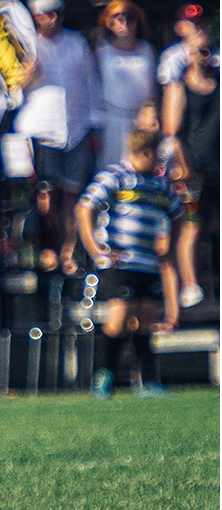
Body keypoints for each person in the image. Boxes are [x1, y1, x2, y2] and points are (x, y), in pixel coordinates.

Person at [77, 129, 182, 399]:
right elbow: (85, 207)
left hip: (147, 262)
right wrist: (94, 247)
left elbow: (178, 213)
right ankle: (105, 374)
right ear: (144, 152)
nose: (160, 162)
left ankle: (147, 380)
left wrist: (171, 242)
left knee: (146, 319)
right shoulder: (115, 177)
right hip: (119, 262)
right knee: (119, 317)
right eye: (156, 156)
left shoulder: (160, 185)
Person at [15, 0, 102, 274]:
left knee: (72, 194)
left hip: (75, 128)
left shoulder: (76, 43)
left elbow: (90, 84)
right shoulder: (25, 45)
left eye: (55, 13)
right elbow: (10, 94)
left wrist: (94, 125)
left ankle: (68, 251)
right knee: (44, 193)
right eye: (44, 14)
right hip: (39, 130)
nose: (51, 20)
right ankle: (47, 248)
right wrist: (28, 74)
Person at [160, 14, 218, 310]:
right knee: (192, 226)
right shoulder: (180, 84)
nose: (205, 56)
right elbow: (173, 130)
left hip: (218, 168)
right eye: (199, 51)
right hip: (193, 168)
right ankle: (191, 284)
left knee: (215, 225)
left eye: (209, 50)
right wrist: (184, 167)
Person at [94, 0, 157, 167]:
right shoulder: (101, 50)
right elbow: (92, 88)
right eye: (116, 17)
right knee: (111, 168)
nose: (123, 23)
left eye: (129, 18)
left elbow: (152, 88)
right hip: (111, 120)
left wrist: (150, 114)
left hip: (141, 121)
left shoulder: (147, 50)